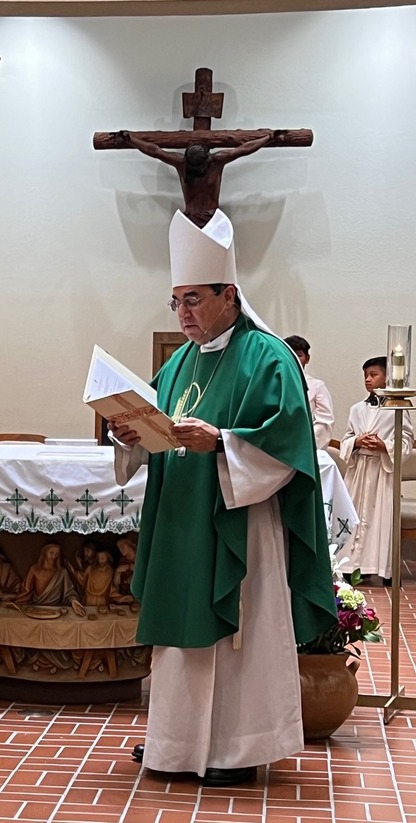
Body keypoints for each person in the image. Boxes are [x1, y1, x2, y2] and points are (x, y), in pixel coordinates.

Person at [110, 209, 336, 786]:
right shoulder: (179, 362)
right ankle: (177, 742)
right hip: (182, 519)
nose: (183, 315)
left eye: (193, 300)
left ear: (228, 293)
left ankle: (236, 748)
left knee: (240, 631)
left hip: (239, 522)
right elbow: (159, 430)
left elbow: (289, 442)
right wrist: (131, 436)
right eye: (176, 302)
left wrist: (223, 442)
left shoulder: (269, 357)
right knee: (180, 633)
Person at [338, 356, 413, 584]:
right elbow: (346, 438)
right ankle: (350, 567)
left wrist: (384, 446)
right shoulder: (356, 409)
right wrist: (357, 442)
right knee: (354, 518)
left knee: (380, 518)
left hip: (382, 472)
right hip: (359, 471)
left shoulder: (398, 410)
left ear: (387, 378)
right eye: (365, 376)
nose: (368, 380)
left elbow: (407, 440)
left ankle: (380, 567)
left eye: (373, 375)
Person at [119, 129, 277, 228]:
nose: (199, 171)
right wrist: (131, 140)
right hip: (191, 220)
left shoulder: (215, 161)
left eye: (201, 167)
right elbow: (154, 150)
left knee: (216, 264)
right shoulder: (183, 164)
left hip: (214, 220)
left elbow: (244, 149)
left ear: (207, 159)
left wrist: (267, 138)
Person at [284, 335, 335, 449]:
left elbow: (325, 421)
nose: (294, 359)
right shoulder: (273, 382)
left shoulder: (316, 386)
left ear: (307, 358)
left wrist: (308, 446)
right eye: (289, 354)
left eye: (298, 355)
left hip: (304, 445)